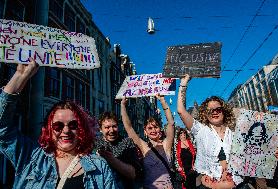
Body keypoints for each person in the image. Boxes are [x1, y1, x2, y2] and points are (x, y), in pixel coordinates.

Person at [0, 58, 116, 188]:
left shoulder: (99, 167)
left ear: (81, 128)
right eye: (58, 126)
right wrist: (20, 77)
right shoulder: (30, 157)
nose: (66, 130)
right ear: (49, 129)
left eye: (73, 125)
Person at [177, 74, 241, 188]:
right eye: (210, 110)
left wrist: (275, 153)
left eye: (218, 109)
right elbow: (181, 111)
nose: (214, 112)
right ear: (205, 114)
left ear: (224, 111)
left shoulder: (234, 132)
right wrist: (183, 83)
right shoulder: (200, 130)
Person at [121, 95, 175, 189]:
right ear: (145, 132)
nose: (153, 130)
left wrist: (162, 100)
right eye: (150, 128)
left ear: (160, 129)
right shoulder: (144, 147)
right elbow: (129, 128)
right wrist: (123, 106)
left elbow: (171, 123)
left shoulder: (166, 145)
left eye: (156, 127)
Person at [95, 112, 143, 188]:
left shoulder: (127, 142)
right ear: (100, 129)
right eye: (107, 127)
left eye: (114, 126)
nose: (111, 130)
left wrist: (110, 159)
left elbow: (133, 174)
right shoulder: (95, 143)